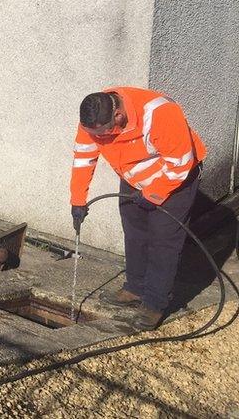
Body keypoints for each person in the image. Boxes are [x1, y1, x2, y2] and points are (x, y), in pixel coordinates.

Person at [70, 87, 206, 331]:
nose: (99, 140)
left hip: (175, 181)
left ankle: (154, 304)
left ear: (119, 117)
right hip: (133, 178)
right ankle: (135, 288)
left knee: (163, 240)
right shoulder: (92, 118)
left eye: (103, 135)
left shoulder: (160, 114)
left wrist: (154, 194)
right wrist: (78, 200)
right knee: (134, 233)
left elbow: (180, 164)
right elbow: (83, 158)